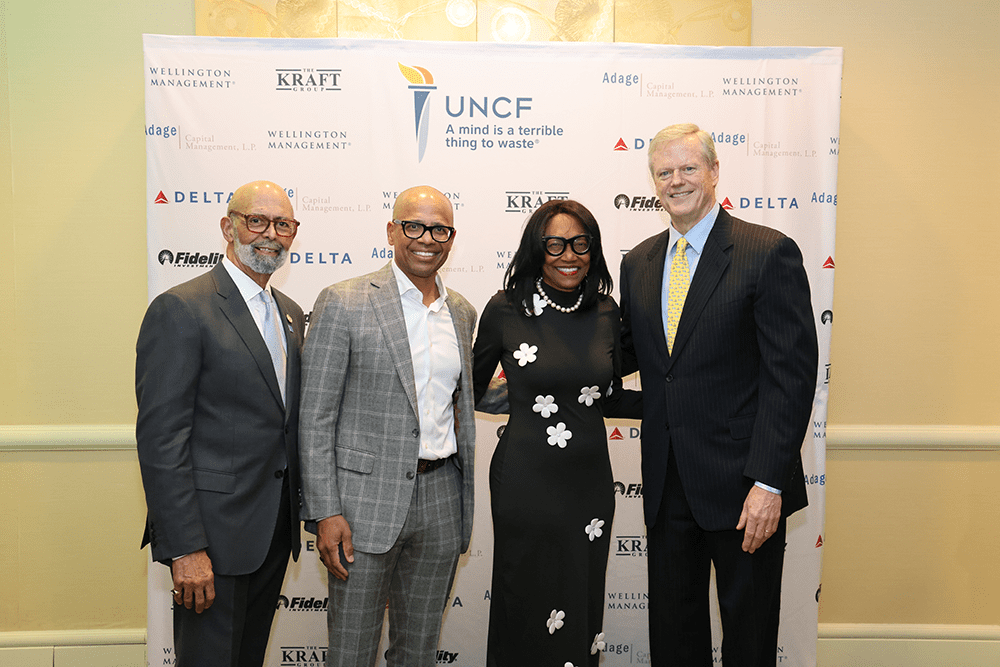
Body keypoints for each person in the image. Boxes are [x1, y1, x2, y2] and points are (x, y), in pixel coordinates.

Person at [619, 123, 819, 667]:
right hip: (666, 487)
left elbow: (791, 377)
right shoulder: (637, 262)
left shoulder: (766, 251)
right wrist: (537, 353)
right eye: (665, 172)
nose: (677, 180)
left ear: (712, 172)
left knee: (750, 640)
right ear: (653, 182)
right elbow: (625, 358)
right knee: (674, 638)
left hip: (744, 487)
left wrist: (769, 482)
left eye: (688, 168)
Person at [299, 186, 476, 667]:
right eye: (414, 226)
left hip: (441, 499)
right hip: (360, 508)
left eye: (440, 229)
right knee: (351, 653)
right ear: (393, 231)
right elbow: (315, 418)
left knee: (417, 652)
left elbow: (458, 404)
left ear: (451, 237)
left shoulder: (461, 312)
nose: (427, 238)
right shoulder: (344, 301)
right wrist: (325, 511)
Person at [136, 180, 305, 667]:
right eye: (257, 220)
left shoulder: (290, 314)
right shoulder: (183, 308)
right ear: (228, 227)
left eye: (283, 224)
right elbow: (161, 440)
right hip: (210, 541)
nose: (270, 234)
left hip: (271, 532)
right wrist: (185, 548)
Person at [472, 199, 642, 667]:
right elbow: (467, 389)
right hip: (525, 480)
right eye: (555, 244)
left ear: (594, 249)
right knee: (524, 599)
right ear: (537, 249)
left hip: (588, 485)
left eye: (580, 243)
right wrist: (522, 400)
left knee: (581, 598)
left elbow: (604, 397)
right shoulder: (505, 309)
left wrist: (678, 410)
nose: (569, 254)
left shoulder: (607, 312)